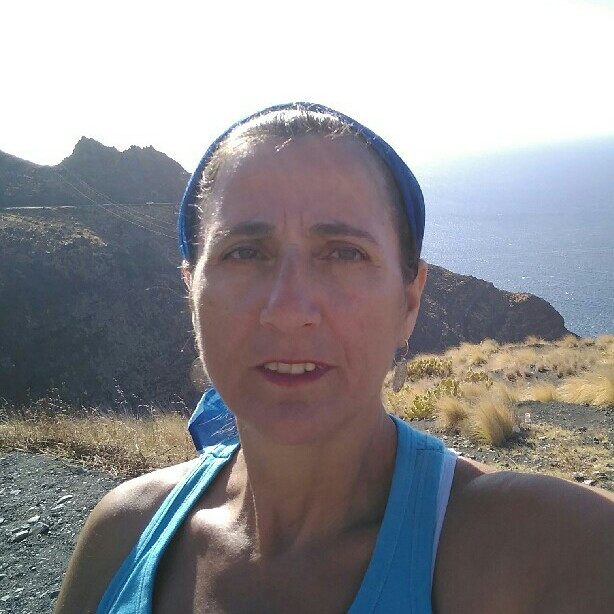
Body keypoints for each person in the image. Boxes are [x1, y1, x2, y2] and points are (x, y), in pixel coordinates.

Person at [55, 103, 614, 614]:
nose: (289, 310)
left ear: (409, 302)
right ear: (191, 291)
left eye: (344, 253)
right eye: (244, 253)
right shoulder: (121, 533)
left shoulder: (544, 551)